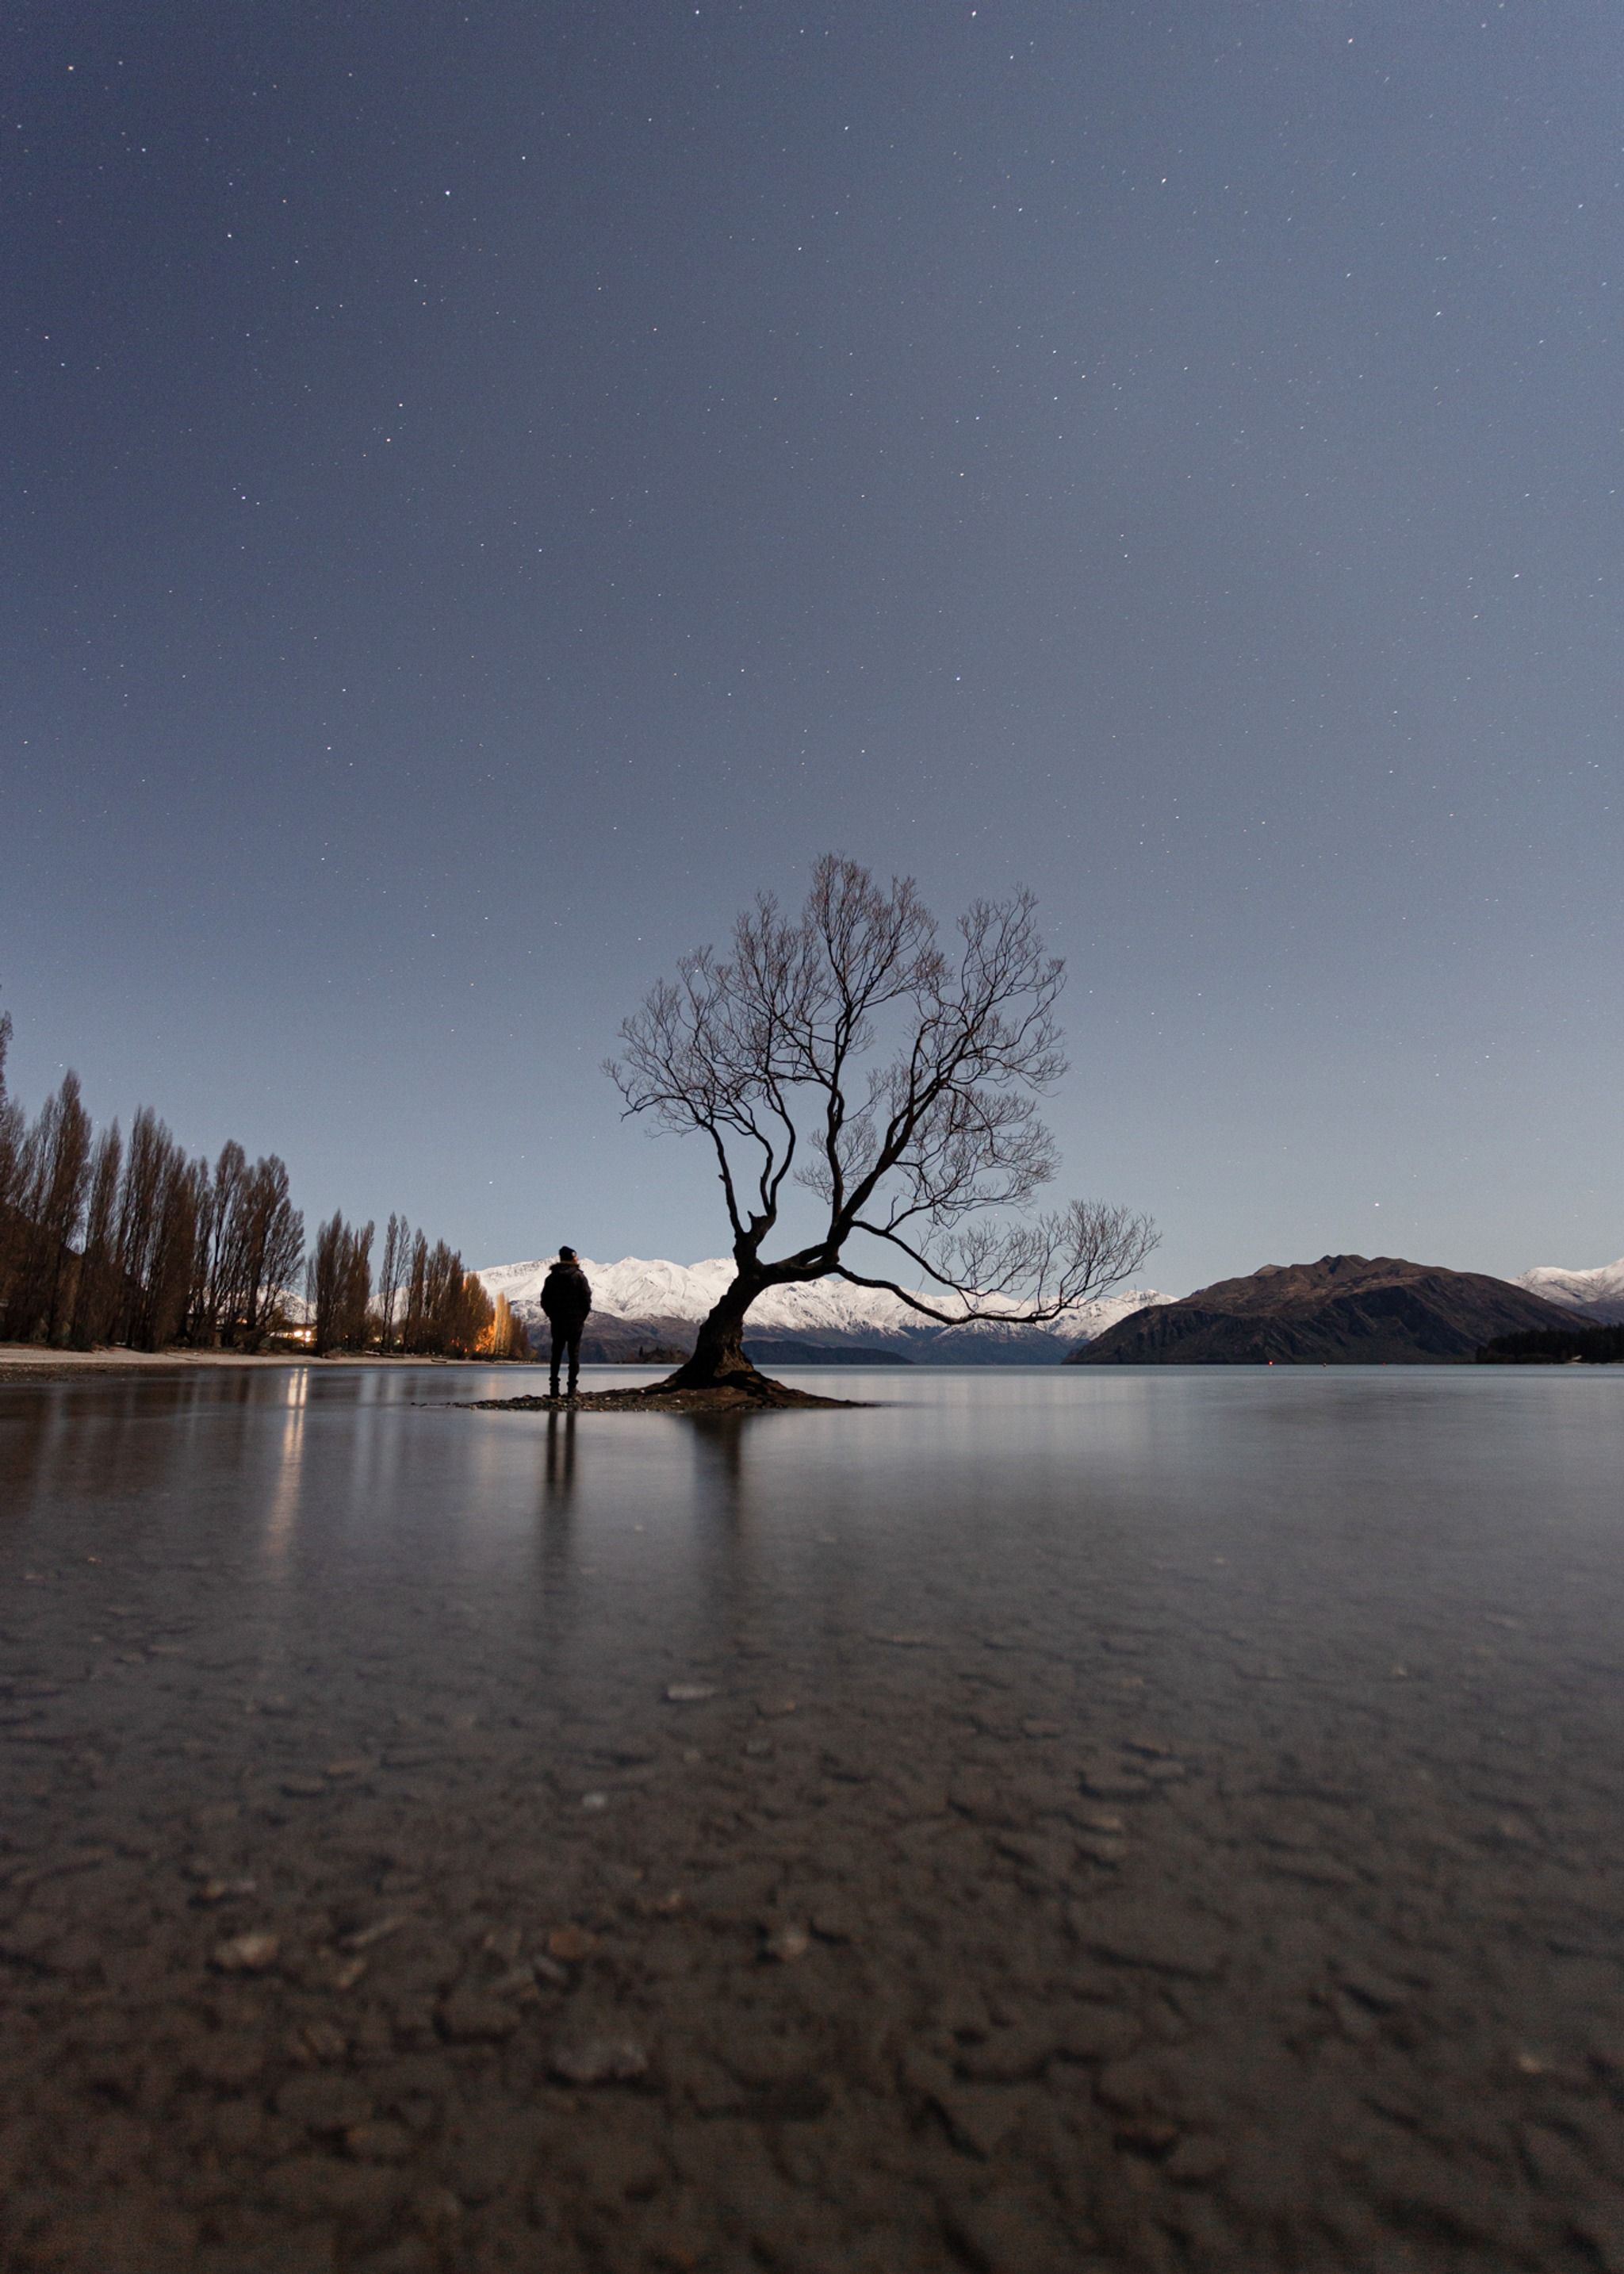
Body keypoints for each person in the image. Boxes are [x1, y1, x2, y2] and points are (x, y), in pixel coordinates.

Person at [540, 1247, 592, 1398]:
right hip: (575, 1322)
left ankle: (554, 1389)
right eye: (575, 1257)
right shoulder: (579, 1277)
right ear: (572, 1258)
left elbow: (545, 1301)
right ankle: (572, 1389)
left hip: (557, 1321)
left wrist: (552, 1316)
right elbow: (587, 1300)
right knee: (574, 1355)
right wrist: (581, 1317)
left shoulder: (551, 1278)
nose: (577, 1259)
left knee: (556, 1354)